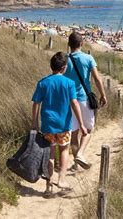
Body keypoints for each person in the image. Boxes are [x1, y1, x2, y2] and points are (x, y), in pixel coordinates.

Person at [32, 52, 88, 197]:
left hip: (48, 125)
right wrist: (81, 124)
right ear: (63, 68)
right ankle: (61, 180)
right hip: (64, 125)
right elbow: (74, 103)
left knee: (49, 154)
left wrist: (34, 122)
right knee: (64, 150)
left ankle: (49, 185)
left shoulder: (43, 82)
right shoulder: (69, 83)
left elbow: (36, 103)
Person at [65, 32, 107, 171]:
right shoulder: (88, 58)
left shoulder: (65, 60)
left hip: (69, 100)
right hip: (83, 99)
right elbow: (96, 78)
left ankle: (76, 164)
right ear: (82, 43)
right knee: (88, 130)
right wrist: (103, 94)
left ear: (69, 45)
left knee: (74, 133)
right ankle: (81, 154)